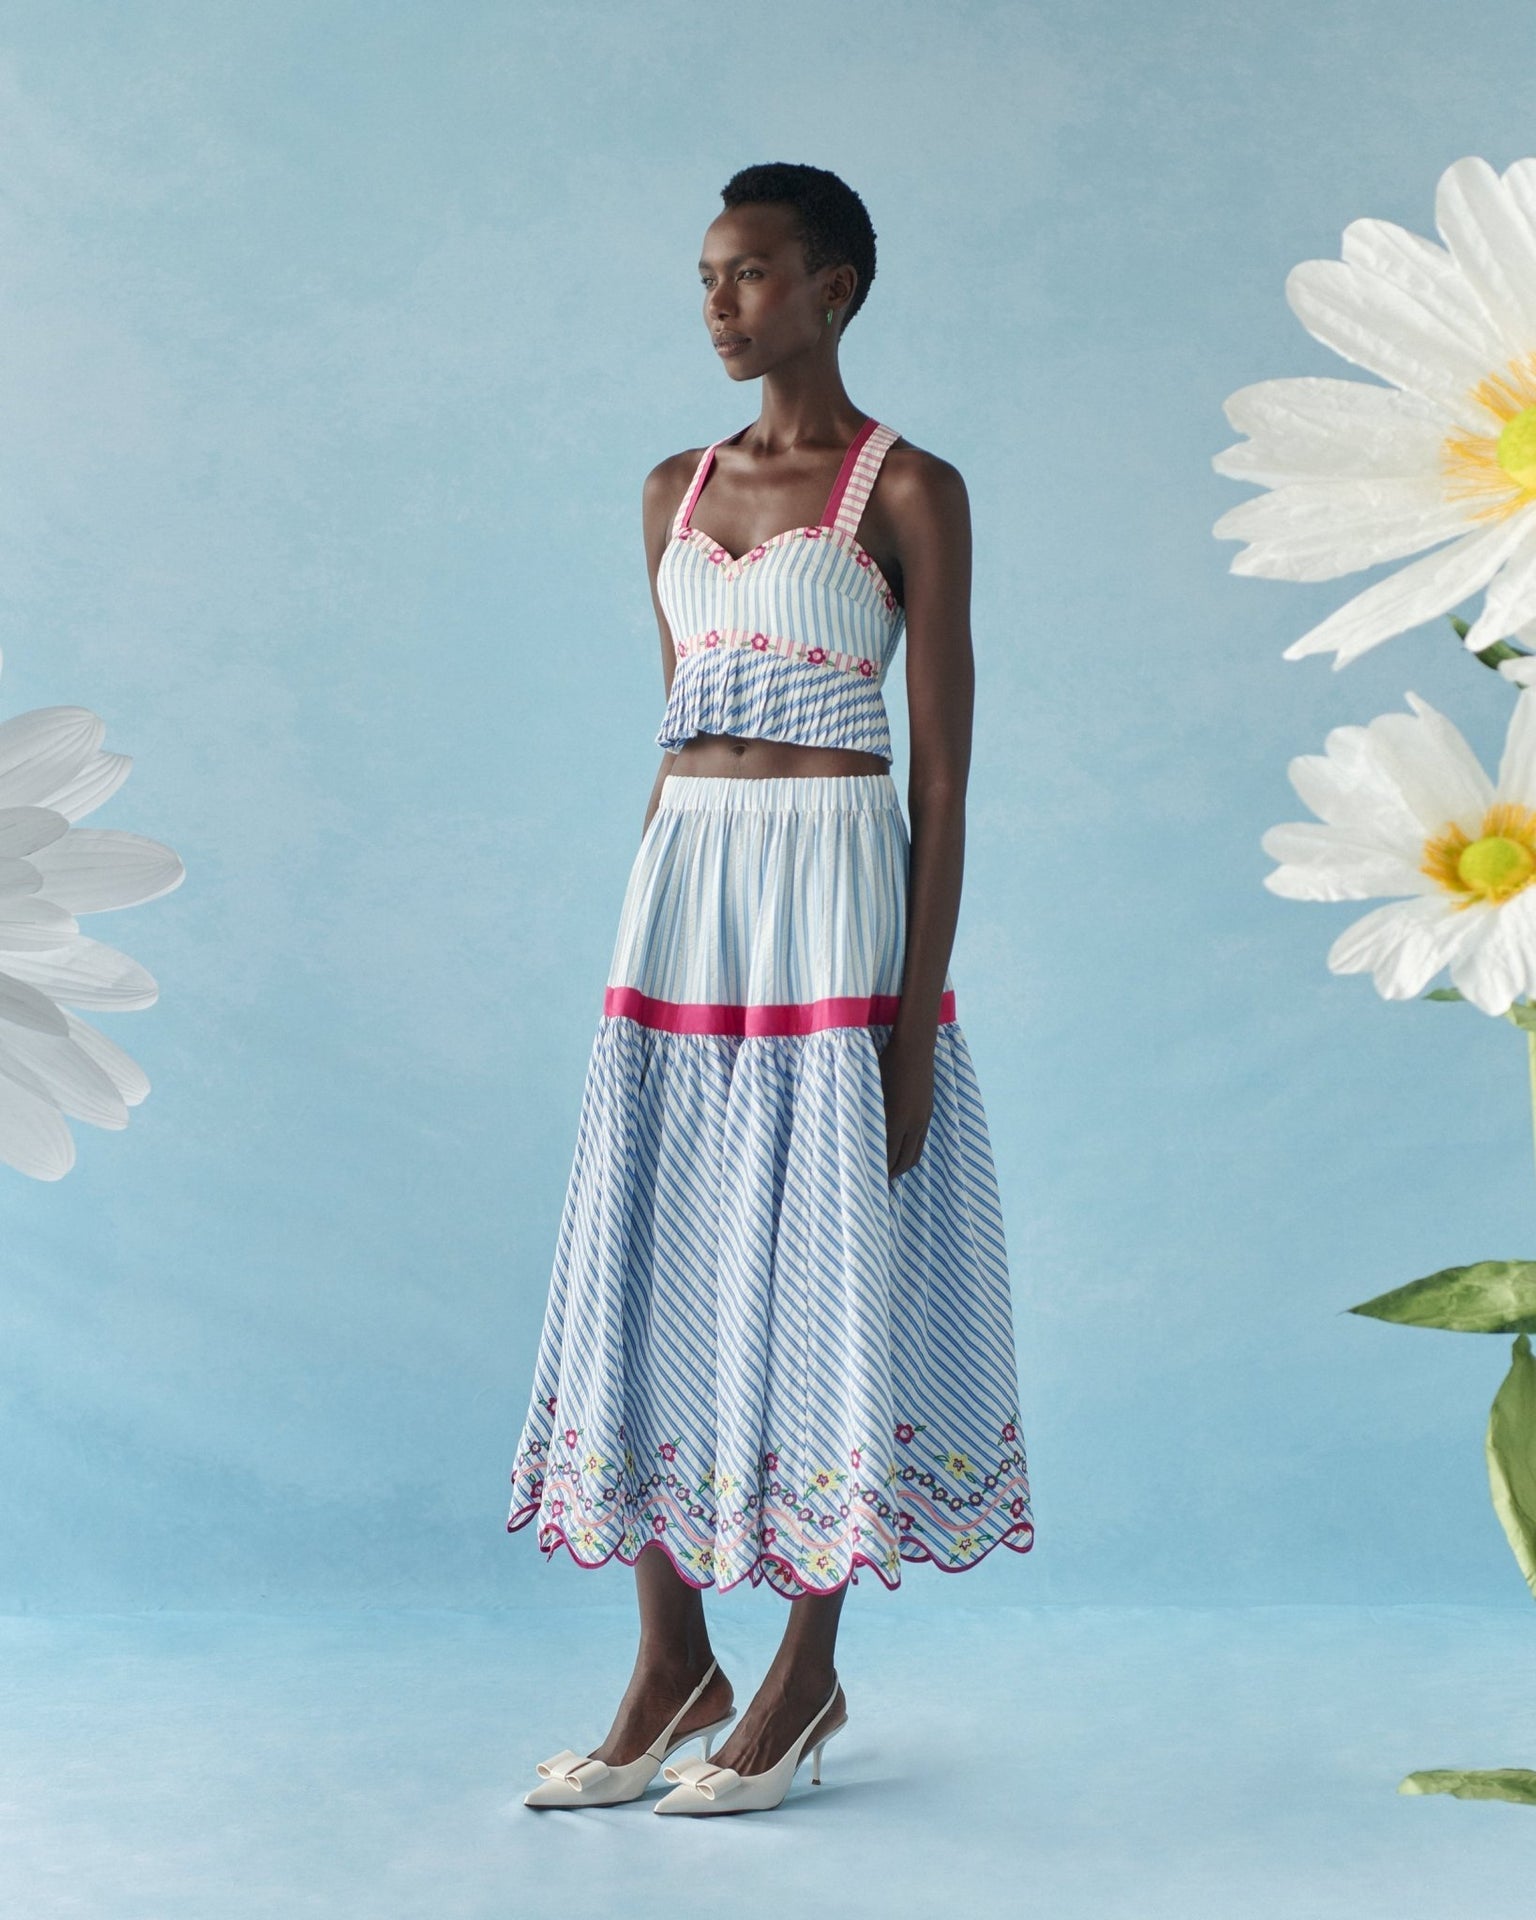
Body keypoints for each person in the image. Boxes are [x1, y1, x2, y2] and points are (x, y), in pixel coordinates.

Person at [507, 161, 1032, 1817]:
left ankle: (803, 1673)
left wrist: (912, 1026)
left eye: (748, 273)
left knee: (823, 1259)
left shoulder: (909, 489)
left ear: (835, 287)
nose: (719, 305)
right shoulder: (671, 487)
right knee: (651, 1243)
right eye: (707, 278)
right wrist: (641, 939)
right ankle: (675, 1660)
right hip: (684, 898)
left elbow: (942, 778)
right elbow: (677, 727)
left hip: (833, 896)